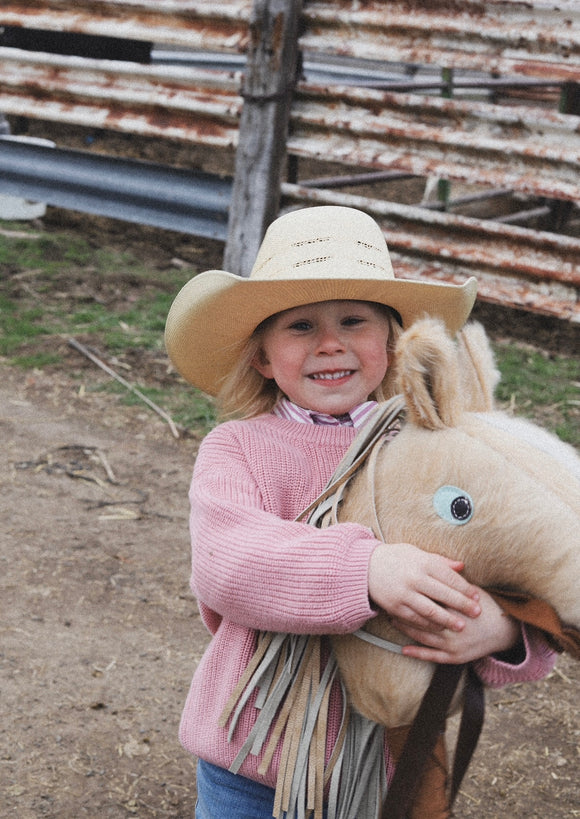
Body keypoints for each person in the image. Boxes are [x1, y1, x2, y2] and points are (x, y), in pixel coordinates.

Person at [164, 206, 556, 819]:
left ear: (393, 341)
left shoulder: (435, 450)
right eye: (300, 326)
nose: (331, 343)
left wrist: (505, 632)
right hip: (254, 759)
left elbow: (516, 556)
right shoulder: (240, 447)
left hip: (389, 759)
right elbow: (228, 561)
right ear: (263, 357)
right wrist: (367, 569)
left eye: (354, 320)